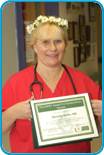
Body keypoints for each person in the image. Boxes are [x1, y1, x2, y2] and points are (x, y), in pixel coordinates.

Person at [2, 15, 102, 153]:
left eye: (58, 41)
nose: (53, 48)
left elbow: (98, 127)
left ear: (65, 45)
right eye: (45, 42)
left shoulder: (83, 81)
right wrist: (13, 113)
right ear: (34, 47)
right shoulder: (15, 83)